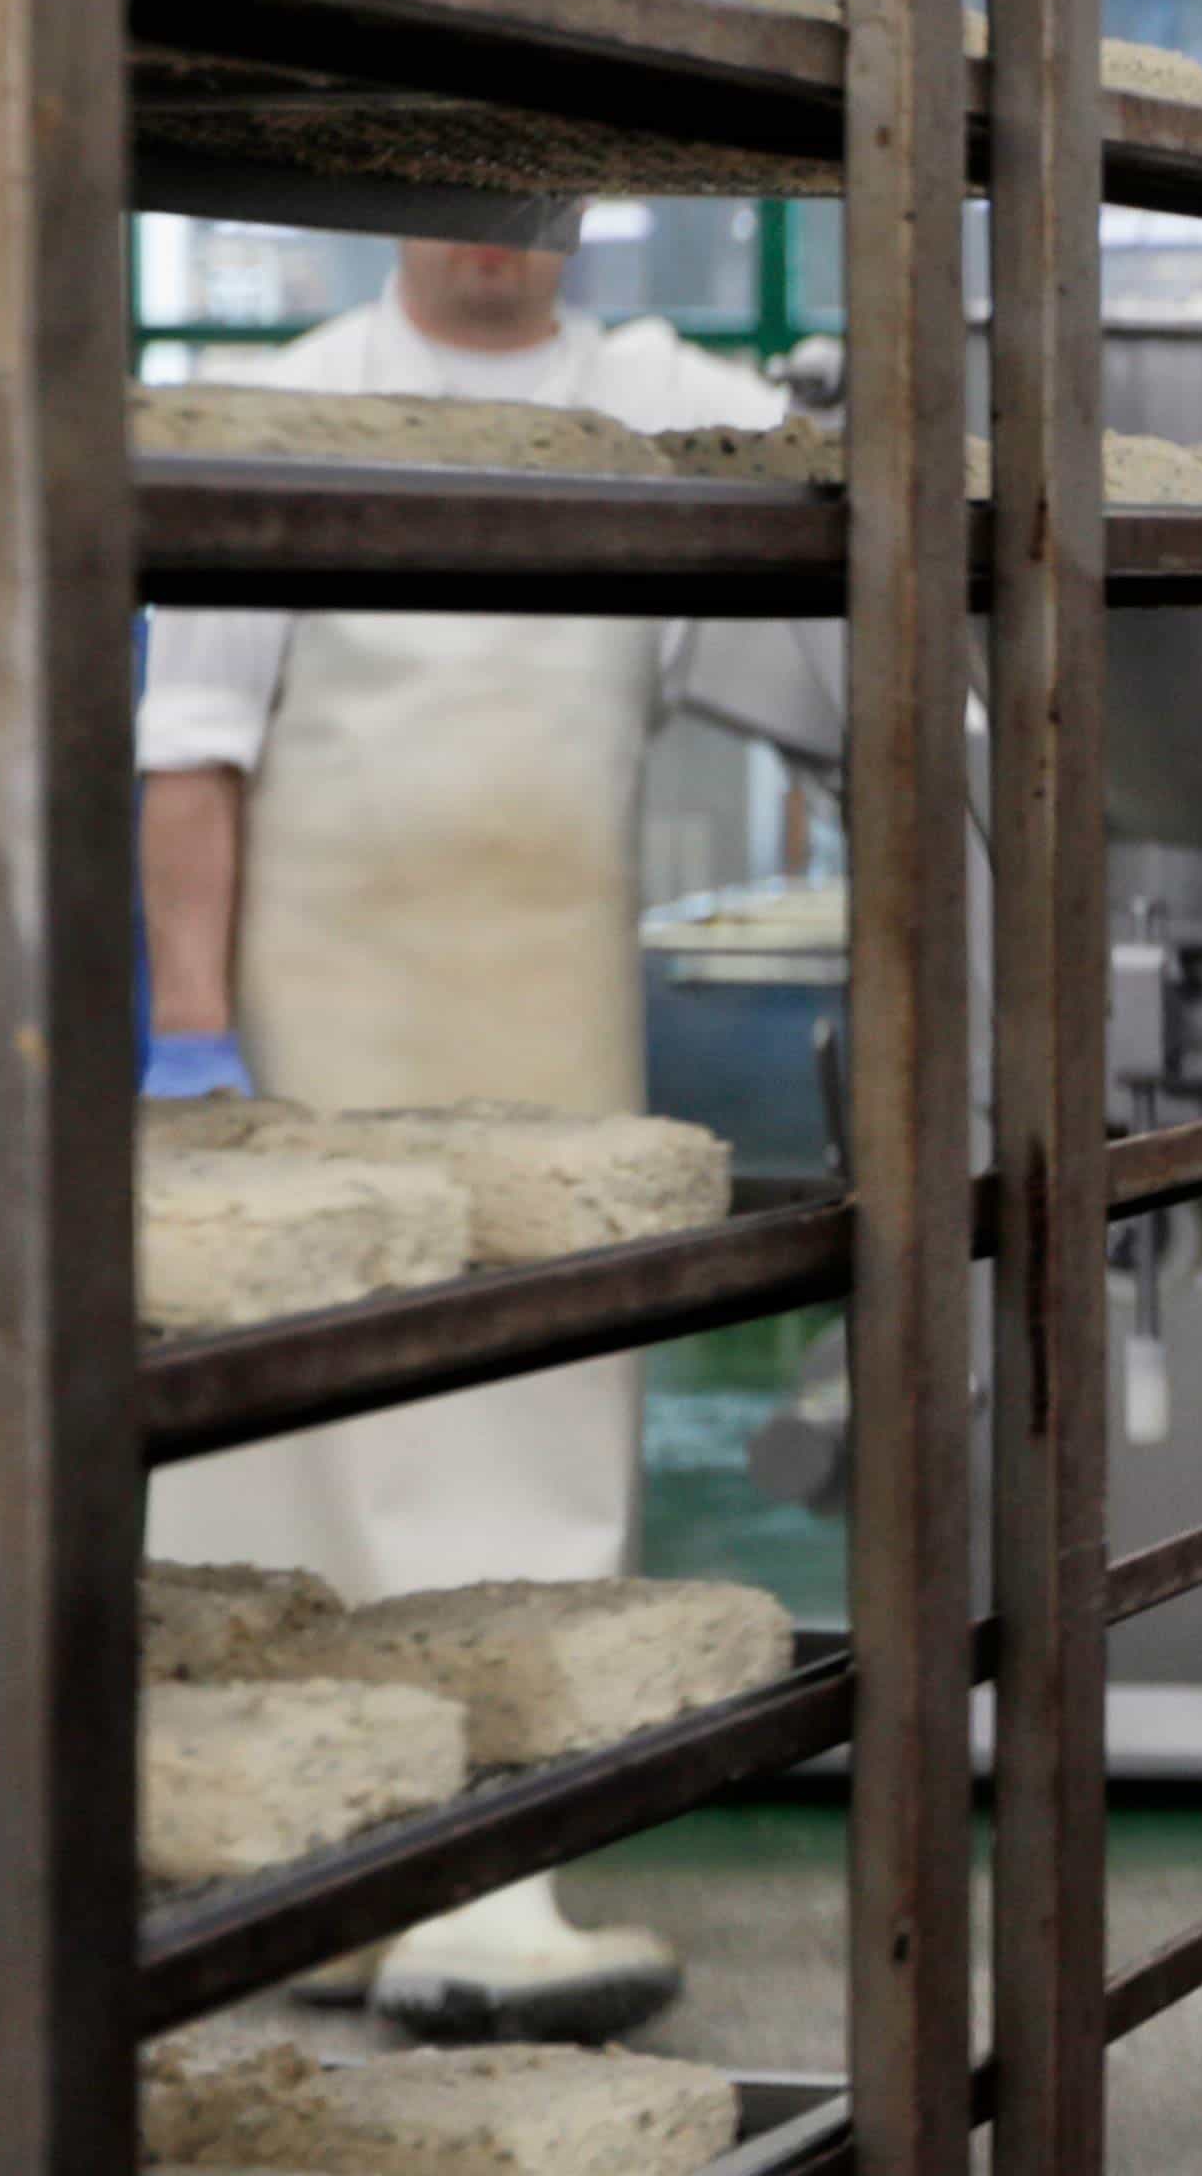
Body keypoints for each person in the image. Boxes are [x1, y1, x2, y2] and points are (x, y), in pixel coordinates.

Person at [136, 228, 789, 2045]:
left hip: (544, 1002)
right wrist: (194, 1038)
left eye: (535, 195)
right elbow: (191, 750)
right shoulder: (282, 417)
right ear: (384, 211)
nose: (499, 230)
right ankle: (296, 1877)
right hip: (316, 1009)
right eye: (458, 193)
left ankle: (495, 1883)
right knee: (301, 1441)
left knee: (529, 1425)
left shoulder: (650, 403)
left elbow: (843, 500)